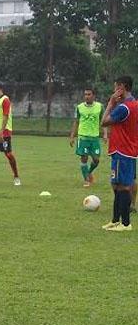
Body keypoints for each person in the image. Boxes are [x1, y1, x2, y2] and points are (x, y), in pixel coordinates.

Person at [100, 76, 138, 232]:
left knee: (122, 187)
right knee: (116, 185)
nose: (114, 91)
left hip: (122, 150)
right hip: (127, 150)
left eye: (116, 87)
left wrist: (110, 103)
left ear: (122, 87)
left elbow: (104, 121)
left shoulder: (124, 108)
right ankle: (115, 221)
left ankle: (126, 223)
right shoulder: (134, 104)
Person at [69, 87, 106, 187]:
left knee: (96, 160)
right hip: (83, 137)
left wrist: (105, 134)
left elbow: (102, 121)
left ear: (94, 96)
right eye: (85, 94)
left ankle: (88, 172)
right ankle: (86, 180)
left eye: (89, 94)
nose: (87, 96)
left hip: (94, 138)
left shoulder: (100, 106)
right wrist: (72, 136)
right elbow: (76, 122)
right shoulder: (79, 107)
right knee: (84, 158)